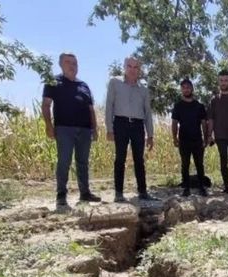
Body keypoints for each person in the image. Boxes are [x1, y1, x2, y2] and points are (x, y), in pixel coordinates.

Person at [41, 52, 101, 207]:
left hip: (85, 130)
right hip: (64, 129)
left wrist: (94, 128)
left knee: (83, 162)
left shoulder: (83, 85)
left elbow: (91, 109)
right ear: (61, 64)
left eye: (75, 63)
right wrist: (49, 125)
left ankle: (85, 193)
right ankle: (61, 195)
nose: (72, 66)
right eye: (68, 62)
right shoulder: (53, 82)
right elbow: (46, 105)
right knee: (64, 161)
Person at [105, 57, 156, 202]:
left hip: (138, 125)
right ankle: (119, 193)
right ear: (124, 67)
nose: (132, 70)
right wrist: (109, 128)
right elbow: (109, 106)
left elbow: (147, 112)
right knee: (120, 159)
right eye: (129, 66)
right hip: (120, 124)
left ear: (139, 70)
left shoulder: (144, 89)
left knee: (139, 159)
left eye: (136, 67)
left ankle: (143, 192)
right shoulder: (115, 83)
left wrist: (150, 135)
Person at [171, 79, 209, 197]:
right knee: (185, 164)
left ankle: (202, 187)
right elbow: (174, 123)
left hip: (197, 140)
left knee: (199, 164)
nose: (186, 89)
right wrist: (175, 138)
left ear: (192, 89)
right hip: (184, 140)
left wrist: (206, 138)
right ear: (181, 90)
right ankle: (186, 188)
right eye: (184, 87)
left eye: (188, 87)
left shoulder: (199, 106)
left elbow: (203, 123)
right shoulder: (178, 106)